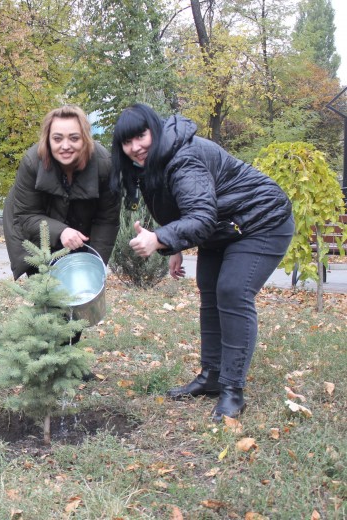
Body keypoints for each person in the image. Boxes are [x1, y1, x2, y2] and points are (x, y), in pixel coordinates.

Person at [110, 103, 294, 421]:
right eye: (127, 142)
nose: (136, 147)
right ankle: (212, 376)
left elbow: (201, 216)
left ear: (154, 128)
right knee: (209, 291)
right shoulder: (153, 160)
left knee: (233, 292)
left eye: (141, 136)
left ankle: (232, 391)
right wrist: (174, 244)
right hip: (224, 227)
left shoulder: (184, 157)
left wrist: (160, 239)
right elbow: (175, 204)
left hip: (263, 219)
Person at [3, 105, 121, 280]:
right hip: (34, 231)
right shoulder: (32, 162)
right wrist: (61, 231)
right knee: (48, 293)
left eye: (74, 138)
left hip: (82, 229)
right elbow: (26, 215)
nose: (65, 146)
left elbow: (107, 220)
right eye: (57, 139)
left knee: (82, 284)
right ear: (48, 140)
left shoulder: (104, 164)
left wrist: (95, 264)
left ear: (85, 139)